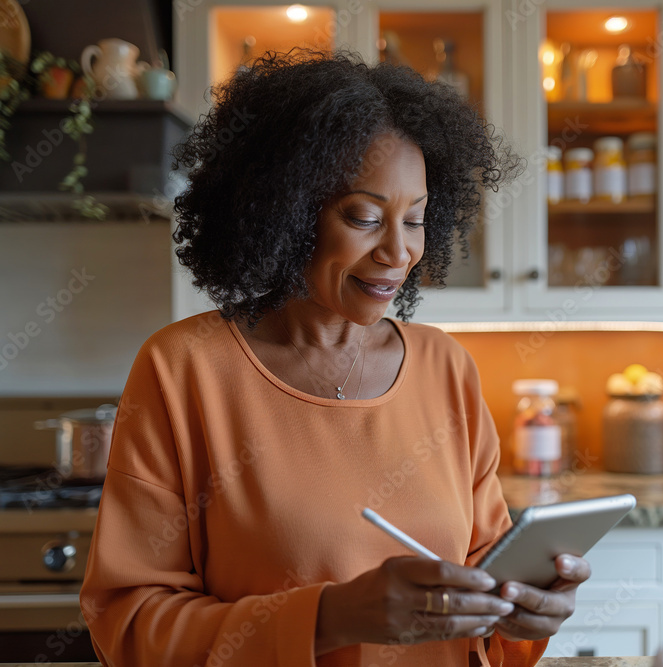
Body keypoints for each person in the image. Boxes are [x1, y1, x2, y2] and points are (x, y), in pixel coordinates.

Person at [79, 48, 591, 666]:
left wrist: (523, 610)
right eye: (365, 217)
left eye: (417, 219)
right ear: (286, 212)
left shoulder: (445, 368)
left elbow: (485, 606)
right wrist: (331, 619)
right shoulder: (183, 370)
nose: (399, 253)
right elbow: (129, 626)